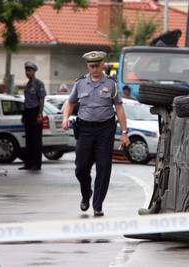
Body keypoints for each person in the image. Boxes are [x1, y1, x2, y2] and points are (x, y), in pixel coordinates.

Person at [62, 51, 130, 217]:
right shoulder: (80, 83)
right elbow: (70, 103)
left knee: (104, 168)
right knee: (81, 168)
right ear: (88, 66)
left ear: (102, 65)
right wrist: (65, 118)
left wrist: (124, 132)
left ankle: (97, 205)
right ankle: (87, 193)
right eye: (91, 66)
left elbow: (119, 108)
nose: (94, 69)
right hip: (85, 130)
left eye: (97, 66)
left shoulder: (111, 84)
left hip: (105, 130)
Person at [19, 61, 46, 171]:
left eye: (29, 70)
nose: (27, 72)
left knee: (36, 140)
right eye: (26, 70)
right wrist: (23, 115)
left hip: (35, 113)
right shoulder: (28, 85)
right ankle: (28, 163)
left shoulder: (39, 84)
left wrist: (40, 114)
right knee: (29, 140)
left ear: (34, 71)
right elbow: (26, 101)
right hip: (28, 113)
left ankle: (37, 164)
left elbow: (41, 99)